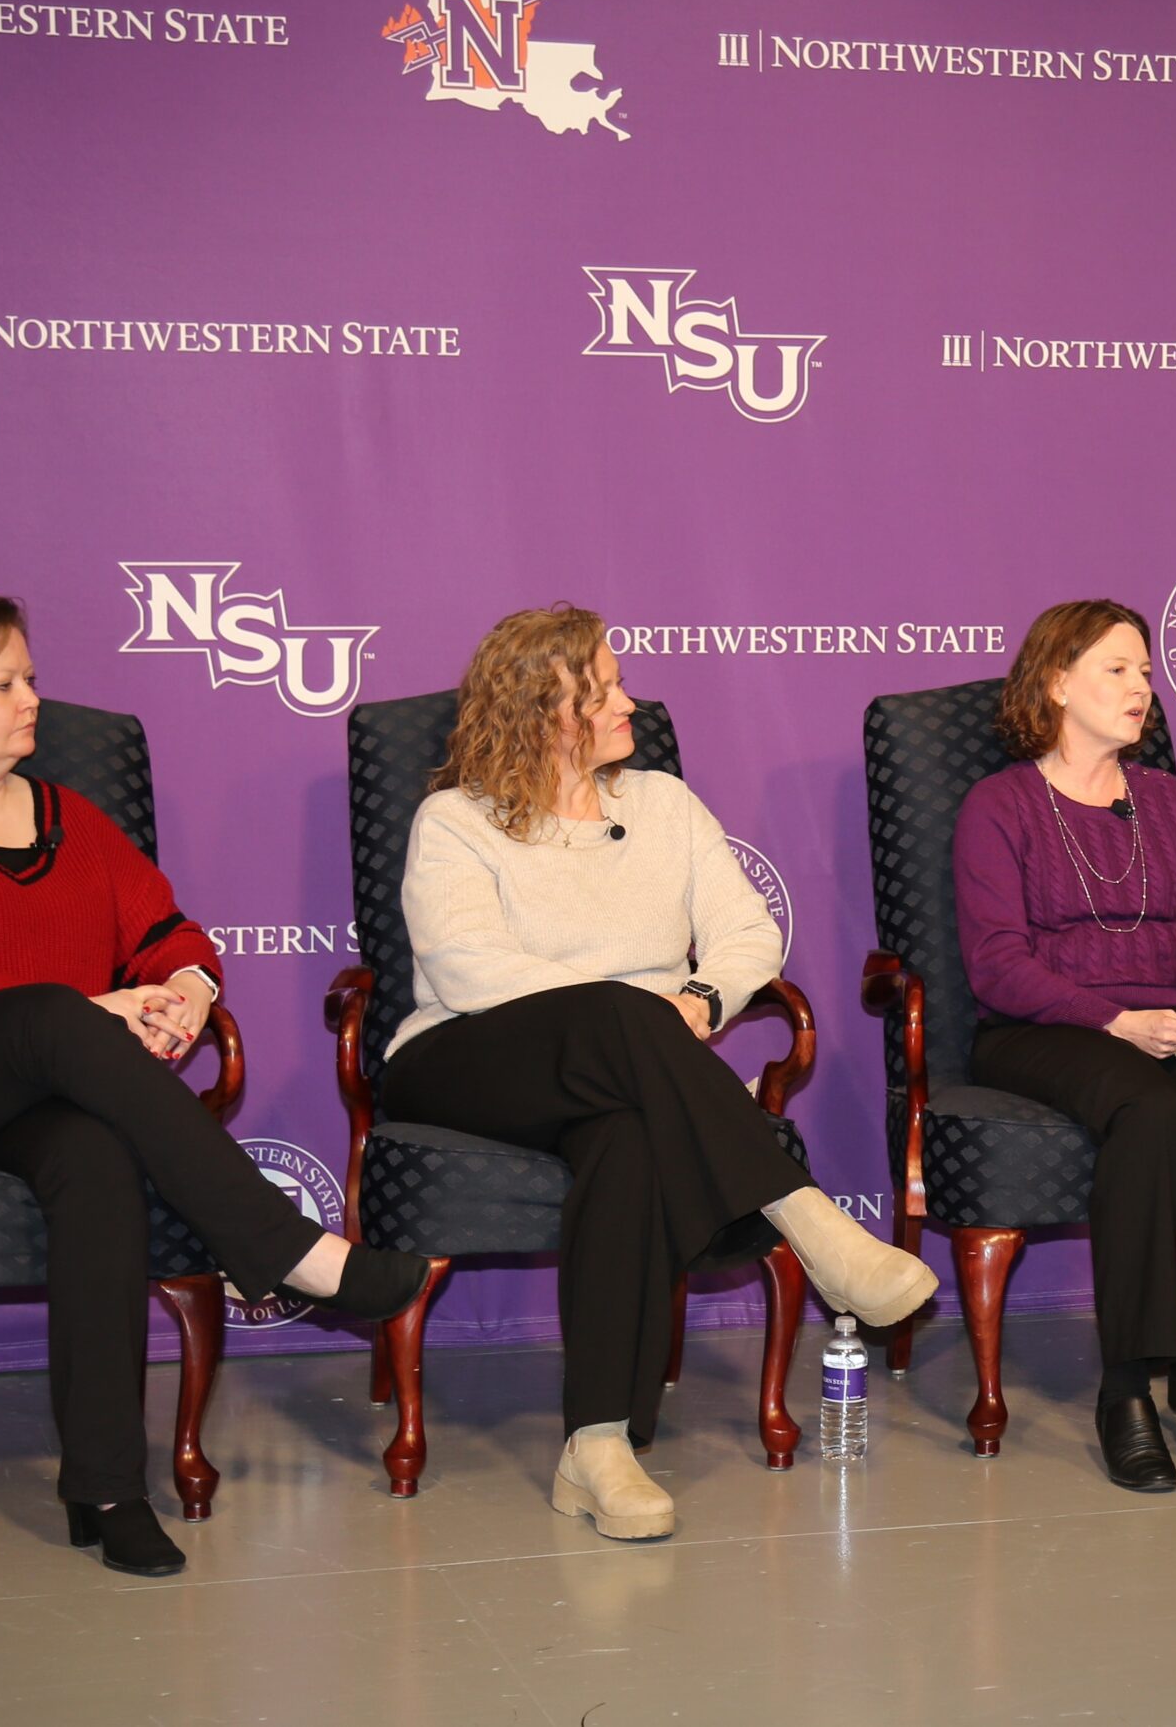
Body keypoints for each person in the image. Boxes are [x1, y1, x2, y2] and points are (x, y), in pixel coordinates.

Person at [0, 593, 430, 1578]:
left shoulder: (66, 816)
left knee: (93, 1155)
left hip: (24, 1098)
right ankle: (279, 1245)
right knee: (47, 1017)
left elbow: (167, 931)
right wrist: (84, 1009)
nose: (33, 700)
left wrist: (185, 992)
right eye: (3, 683)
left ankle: (106, 1487)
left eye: (30, 676)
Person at [379, 605, 937, 1542]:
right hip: (466, 1060)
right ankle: (809, 1219)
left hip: (624, 1075)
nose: (631, 700)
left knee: (625, 1141)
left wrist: (704, 1001)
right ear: (545, 708)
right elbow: (471, 967)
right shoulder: (456, 820)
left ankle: (596, 1446)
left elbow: (748, 931)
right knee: (616, 1012)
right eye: (606, 687)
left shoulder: (665, 806)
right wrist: (636, 1010)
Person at [952, 599, 1176, 1492]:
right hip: (1043, 1030)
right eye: (1118, 669)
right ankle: (1125, 1387)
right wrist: (1115, 1022)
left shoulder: (1166, 801)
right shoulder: (998, 806)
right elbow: (998, 966)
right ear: (1056, 683)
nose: (1142, 689)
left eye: (1147, 673)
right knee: (1150, 1112)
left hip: (1174, 1015)